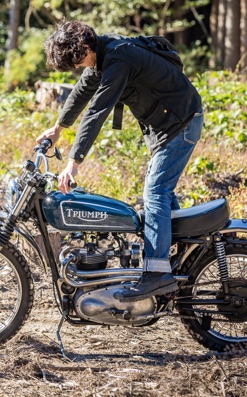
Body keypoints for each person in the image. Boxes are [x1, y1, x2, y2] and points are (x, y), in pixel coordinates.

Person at [35, 20, 203, 301]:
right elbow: (81, 93)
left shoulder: (118, 56)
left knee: (156, 193)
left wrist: (73, 163)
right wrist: (57, 130)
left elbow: (97, 110)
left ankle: (157, 273)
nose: (80, 68)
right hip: (167, 124)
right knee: (160, 192)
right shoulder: (100, 54)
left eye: (78, 62)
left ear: (85, 47)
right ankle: (179, 261)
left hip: (181, 122)